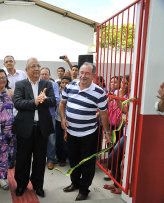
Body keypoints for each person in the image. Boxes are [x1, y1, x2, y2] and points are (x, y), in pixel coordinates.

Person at [59, 62, 111, 201]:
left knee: (87, 164)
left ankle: (84, 189)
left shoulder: (99, 92)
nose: (83, 76)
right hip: (71, 133)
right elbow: (62, 104)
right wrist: (63, 118)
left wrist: (107, 133)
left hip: (88, 134)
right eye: (81, 72)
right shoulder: (70, 86)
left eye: (87, 73)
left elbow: (104, 113)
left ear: (93, 75)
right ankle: (74, 183)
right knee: (74, 161)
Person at [13, 58, 56, 198]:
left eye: (38, 66)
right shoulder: (20, 84)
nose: (37, 68)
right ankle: (21, 184)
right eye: (33, 66)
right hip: (25, 128)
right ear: (27, 70)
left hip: (41, 128)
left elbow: (53, 101)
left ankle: (38, 185)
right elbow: (18, 103)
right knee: (22, 159)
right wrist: (35, 101)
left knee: (39, 160)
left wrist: (44, 99)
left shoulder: (47, 83)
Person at [3, 55, 27, 168]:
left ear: (15, 62)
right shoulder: (2, 76)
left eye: (10, 61)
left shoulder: (22, 74)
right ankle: (9, 159)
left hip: (21, 109)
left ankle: (16, 159)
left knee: (19, 137)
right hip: (7, 110)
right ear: (4, 64)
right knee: (9, 136)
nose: (9, 63)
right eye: (6, 62)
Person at [40, 67, 60, 170]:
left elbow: (56, 100)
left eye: (46, 74)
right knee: (39, 138)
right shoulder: (36, 84)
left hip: (50, 115)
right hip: (38, 116)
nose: (44, 76)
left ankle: (51, 160)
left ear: (50, 75)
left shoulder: (54, 85)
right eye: (42, 74)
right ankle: (40, 159)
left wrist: (45, 99)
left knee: (51, 138)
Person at [55, 75, 71, 167]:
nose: (64, 84)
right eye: (63, 82)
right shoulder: (58, 92)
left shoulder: (72, 94)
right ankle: (58, 157)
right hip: (58, 119)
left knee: (65, 140)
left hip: (67, 121)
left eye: (67, 83)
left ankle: (63, 159)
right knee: (58, 140)